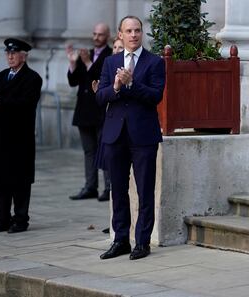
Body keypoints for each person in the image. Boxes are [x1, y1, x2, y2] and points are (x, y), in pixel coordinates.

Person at [96, 16, 165, 260]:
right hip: (115, 135)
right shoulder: (109, 61)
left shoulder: (154, 62)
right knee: (118, 190)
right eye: (129, 31)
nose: (134, 35)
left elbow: (155, 96)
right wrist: (116, 86)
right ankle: (121, 240)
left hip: (143, 135)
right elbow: (100, 97)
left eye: (137, 30)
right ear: (120, 34)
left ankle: (142, 242)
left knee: (145, 191)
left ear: (141, 33)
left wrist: (132, 83)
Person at [0, 38, 43, 233]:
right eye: (8, 53)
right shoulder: (2, 75)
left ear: (24, 55)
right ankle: (3, 218)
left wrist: (0, 99)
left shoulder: (33, 78)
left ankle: (21, 219)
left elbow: (24, 104)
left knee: (20, 179)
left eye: (14, 53)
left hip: (20, 136)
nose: (10, 56)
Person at [66, 23, 112, 202]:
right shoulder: (88, 53)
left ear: (107, 36)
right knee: (88, 151)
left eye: (100, 34)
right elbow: (73, 81)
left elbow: (100, 77)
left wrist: (86, 63)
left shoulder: (110, 55)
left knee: (105, 150)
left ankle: (109, 187)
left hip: (100, 111)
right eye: (94, 34)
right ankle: (90, 186)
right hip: (84, 110)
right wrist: (72, 63)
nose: (96, 37)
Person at [91, 37, 124, 235]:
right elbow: (100, 98)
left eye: (121, 47)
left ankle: (118, 222)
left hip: (125, 131)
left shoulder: (129, 67)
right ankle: (114, 221)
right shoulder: (109, 67)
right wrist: (103, 91)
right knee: (112, 181)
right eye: (116, 48)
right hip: (110, 129)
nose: (118, 50)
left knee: (119, 182)